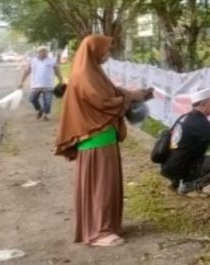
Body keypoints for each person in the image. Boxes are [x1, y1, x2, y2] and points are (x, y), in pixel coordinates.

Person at [54, 35, 151, 247]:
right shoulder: (83, 75)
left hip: (103, 136)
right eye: (106, 50)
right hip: (94, 137)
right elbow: (104, 102)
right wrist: (129, 98)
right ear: (94, 50)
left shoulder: (94, 73)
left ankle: (107, 225)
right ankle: (98, 232)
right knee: (100, 185)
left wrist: (137, 95)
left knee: (108, 184)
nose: (108, 54)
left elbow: (114, 92)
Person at [18, 46, 62, 120]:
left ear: (47, 52)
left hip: (48, 84)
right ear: (37, 53)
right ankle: (40, 110)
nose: (43, 53)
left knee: (48, 101)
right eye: (41, 51)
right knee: (32, 99)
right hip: (36, 85)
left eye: (45, 51)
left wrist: (60, 79)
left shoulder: (52, 61)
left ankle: (46, 115)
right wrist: (21, 82)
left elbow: (57, 71)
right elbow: (27, 72)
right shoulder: (32, 61)